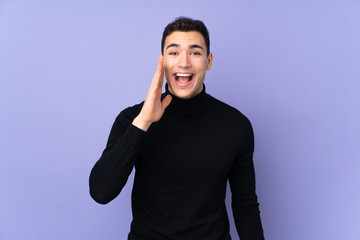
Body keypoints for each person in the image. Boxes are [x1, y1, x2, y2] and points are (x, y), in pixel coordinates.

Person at [89, 17, 265, 240]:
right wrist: (143, 122)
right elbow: (101, 192)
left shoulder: (236, 125)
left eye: (195, 52)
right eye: (174, 53)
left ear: (208, 61)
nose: (184, 63)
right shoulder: (132, 119)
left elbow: (245, 206)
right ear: (162, 61)